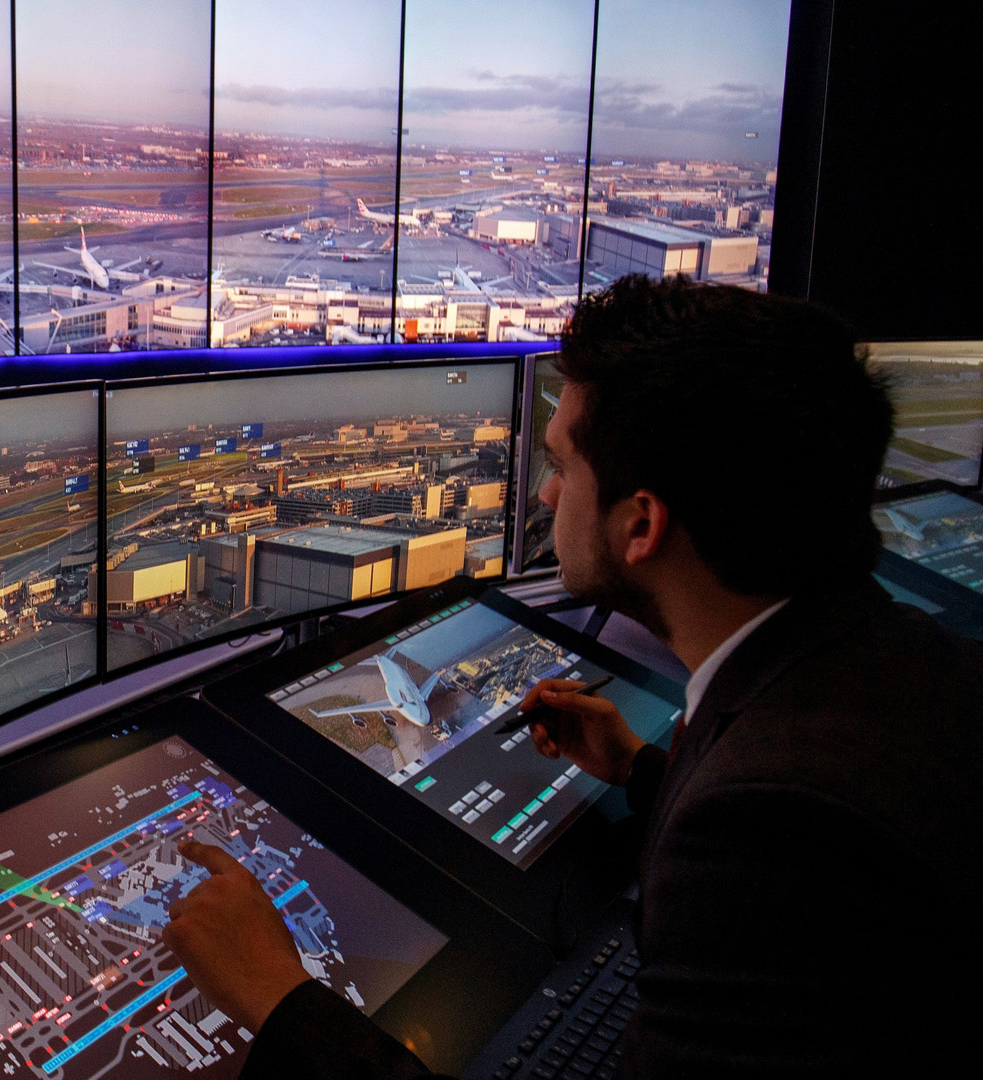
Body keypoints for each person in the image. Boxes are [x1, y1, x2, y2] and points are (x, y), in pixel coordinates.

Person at [162, 275, 983, 1078]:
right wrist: (645, 769)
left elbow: (784, 849)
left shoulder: (769, 830)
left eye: (561, 465)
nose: (547, 491)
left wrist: (280, 1000)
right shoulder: (899, 661)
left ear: (641, 523)